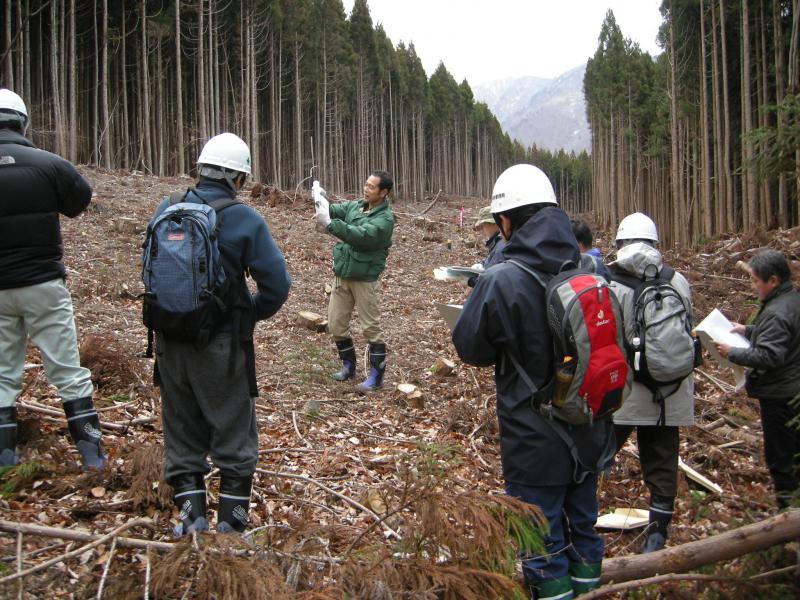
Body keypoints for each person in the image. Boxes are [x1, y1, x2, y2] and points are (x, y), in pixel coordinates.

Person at [452, 164, 613, 599]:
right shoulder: (589, 267)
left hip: (532, 439)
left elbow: (470, 348)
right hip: (588, 428)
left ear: (507, 221)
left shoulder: (502, 278)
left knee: (540, 542)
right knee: (583, 527)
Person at [147, 133, 290, 535]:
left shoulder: (168, 208)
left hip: (169, 341)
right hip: (222, 346)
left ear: (202, 167)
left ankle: (190, 522)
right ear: (238, 177)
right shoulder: (244, 219)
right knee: (233, 432)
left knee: (181, 428)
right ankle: (230, 528)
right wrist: (248, 316)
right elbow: (276, 285)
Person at [0, 88, 105, 470]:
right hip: (43, 283)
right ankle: (93, 458)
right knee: (67, 371)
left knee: (1, 375)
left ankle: (5, 459)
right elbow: (79, 202)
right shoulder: (50, 164)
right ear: (22, 122)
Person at [607, 212, 695, 553]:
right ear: (655, 244)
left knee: (598, 455)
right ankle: (657, 536)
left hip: (625, 394)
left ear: (621, 243)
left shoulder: (612, 282)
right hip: (670, 392)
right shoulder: (679, 281)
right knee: (661, 464)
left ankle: (577, 524)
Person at [716, 249, 800, 509]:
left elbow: (769, 355)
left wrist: (734, 353)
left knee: (781, 459)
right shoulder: (790, 300)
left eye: (755, 281)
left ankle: (787, 519)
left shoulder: (777, 311)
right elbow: (779, 335)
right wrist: (747, 330)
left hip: (781, 395)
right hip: (790, 389)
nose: (753, 286)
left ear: (772, 280)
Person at [313, 171, 394, 392]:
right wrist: (320, 199)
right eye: (366, 184)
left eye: (371, 187)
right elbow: (333, 210)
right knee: (336, 323)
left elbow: (360, 235)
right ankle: (349, 366)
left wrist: (331, 224)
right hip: (343, 273)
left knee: (371, 327)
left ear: (384, 192)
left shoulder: (384, 219)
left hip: (364, 278)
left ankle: (376, 377)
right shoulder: (357, 206)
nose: (366, 189)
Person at [467, 206, 507, 287]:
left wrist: (469, 280)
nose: (482, 230)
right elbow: (491, 260)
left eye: (483, 226)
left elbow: (491, 282)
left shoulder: (501, 246)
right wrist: (481, 264)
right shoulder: (497, 242)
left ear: (493, 224)